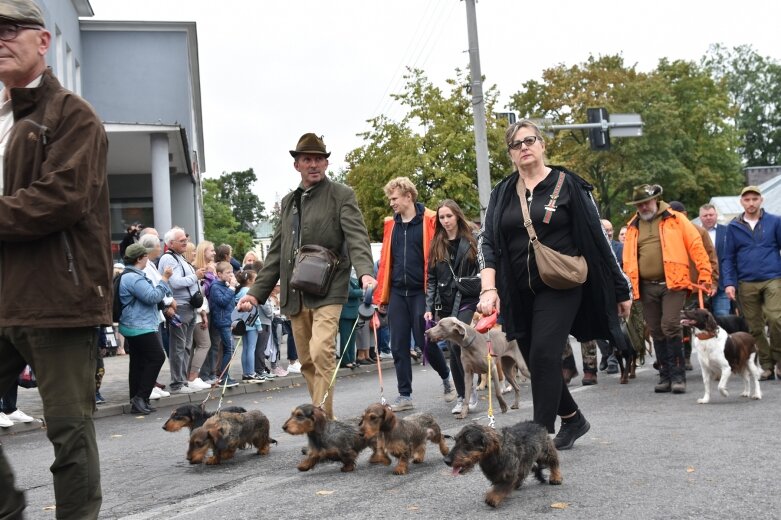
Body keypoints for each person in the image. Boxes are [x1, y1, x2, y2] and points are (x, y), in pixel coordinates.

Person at [0, 2, 112, 516]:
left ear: (42, 42)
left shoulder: (72, 114)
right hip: (4, 295)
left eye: (9, 30)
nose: (0, 39)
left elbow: (61, 199)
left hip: (58, 298)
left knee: (67, 430)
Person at [477, 120, 631, 450]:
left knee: (545, 355)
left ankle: (534, 439)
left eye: (529, 140)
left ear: (542, 145)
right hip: (518, 290)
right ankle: (574, 420)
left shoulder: (568, 185)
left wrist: (621, 288)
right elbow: (487, 242)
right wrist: (489, 289)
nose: (524, 147)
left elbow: (598, 241)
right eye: (516, 144)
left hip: (561, 285)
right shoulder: (502, 192)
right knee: (535, 360)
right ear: (511, 154)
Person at [238, 132, 376, 419]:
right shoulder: (289, 202)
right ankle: (321, 415)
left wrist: (365, 273)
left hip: (329, 288)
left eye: (318, 159)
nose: (313, 164)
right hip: (296, 293)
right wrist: (254, 294)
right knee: (307, 361)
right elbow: (276, 252)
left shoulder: (341, 195)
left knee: (322, 351)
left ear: (326, 164)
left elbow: (357, 238)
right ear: (297, 165)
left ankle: (322, 419)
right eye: (306, 159)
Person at [623, 184, 712, 394]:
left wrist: (705, 274)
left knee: (670, 325)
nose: (643, 207)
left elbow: (696, 247)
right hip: (645, 286)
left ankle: (678, 376)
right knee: (655, 329)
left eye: (646, 202)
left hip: (674, 283)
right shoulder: (633, 226)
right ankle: (664, 375)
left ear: (656, 200)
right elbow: (627, 259)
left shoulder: (676, 220)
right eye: (639, 204)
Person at [424, 200, 480, 414]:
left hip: (467, 298)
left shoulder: (472, 239)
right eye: (441, 217)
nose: (445, 221)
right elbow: (431, 278)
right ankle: (463, 394)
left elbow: (482, 268)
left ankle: (467, 391)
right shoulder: (436, 243)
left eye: (449, 216)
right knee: (451, 349)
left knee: (458, 344)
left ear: (457, 215)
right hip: (445, 303)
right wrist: (429, 305)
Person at [722, 185, 781, 381]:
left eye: (754, 199)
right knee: (754, 327)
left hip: (773, 277)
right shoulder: (733, 226)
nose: (751, 203)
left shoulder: (774, 221)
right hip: (746, 281)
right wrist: (729, 283)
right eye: (747, 200)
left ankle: (779, 360)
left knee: (775, 319)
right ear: (741, 202)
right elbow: (728, 257)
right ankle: (766, 365)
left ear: (761, 200)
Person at [118, 244, 174, 414]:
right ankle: (140, 397)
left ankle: (139, 399)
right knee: (157, 357)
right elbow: (152, 297)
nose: (147, 258)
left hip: (134, 325)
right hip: (139, 326)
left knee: (138, 362)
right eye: (145, 256)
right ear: (140, 258)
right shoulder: (133, 278)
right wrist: (164, 279)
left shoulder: (130, 275)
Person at [668, 201, 719, 370]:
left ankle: (713, 358)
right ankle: (684, 357)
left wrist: (713, 281)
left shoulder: (699, 232)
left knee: (699, 322)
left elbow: (711, 258)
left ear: (685, 214)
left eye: (677, 214)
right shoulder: (666, 233)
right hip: (675, 286)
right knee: (679, 323)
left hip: (697, 287)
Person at [158, 227, 206, 394]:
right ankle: (177, 383)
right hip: (181, 307)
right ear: (171, 243)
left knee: (185, 347)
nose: (186, 241)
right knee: (179, 347)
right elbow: (175, 283)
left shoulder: (179, 258)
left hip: (189, 307)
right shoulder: (169, 259)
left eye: (185, 238)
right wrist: (196, 276)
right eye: (182, 240)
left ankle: (182, 381)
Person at [137, 233, 175, 398]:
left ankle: (152, 383)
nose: (160, 248)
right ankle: (147, 387)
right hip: (149, 317)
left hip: (155, 315)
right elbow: (154, 289)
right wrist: (167, 303)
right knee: (154, 354)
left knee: (156, 353)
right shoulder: (144, 268)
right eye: (158, 245)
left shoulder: (151, 264)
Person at [208, 261, 240, 387]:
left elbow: (231, 301)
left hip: (229, 320)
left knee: (228, 349)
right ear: (219, 274)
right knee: (230, 349)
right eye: (228, 273)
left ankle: (224, 375)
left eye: (231, 272)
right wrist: (232, 288)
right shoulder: (215, 286)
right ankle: (224, 376)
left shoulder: (225, 285)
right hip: (222, 321)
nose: (231, 275)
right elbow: (222, 302)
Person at [698, 203, 731, 316]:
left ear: (716, 215)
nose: (708, 218)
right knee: (701, 319)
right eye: (705, 215)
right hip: (701, 285)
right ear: (700, 217)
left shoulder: (727, 231)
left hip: (722, 283)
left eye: (711, 215)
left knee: (723, 316)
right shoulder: (694, 233)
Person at [234, 269, 264, 383]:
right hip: (252, 324)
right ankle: (251, 373)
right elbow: (254, 311)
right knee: (251, 349)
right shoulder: (249, 291)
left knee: (245, 349)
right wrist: (259, 326)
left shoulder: (240, 290)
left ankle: (246, 373)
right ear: (250, 280)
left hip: (242, 324)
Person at [337, 272, 363, 369]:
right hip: (346, 312)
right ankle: (345, 360)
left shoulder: (353, 278)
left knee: (352, 339)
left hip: (354, 312)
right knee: (345, 338)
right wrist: (362, 292)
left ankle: (352, 359)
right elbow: (349, 292)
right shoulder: (344, 277)